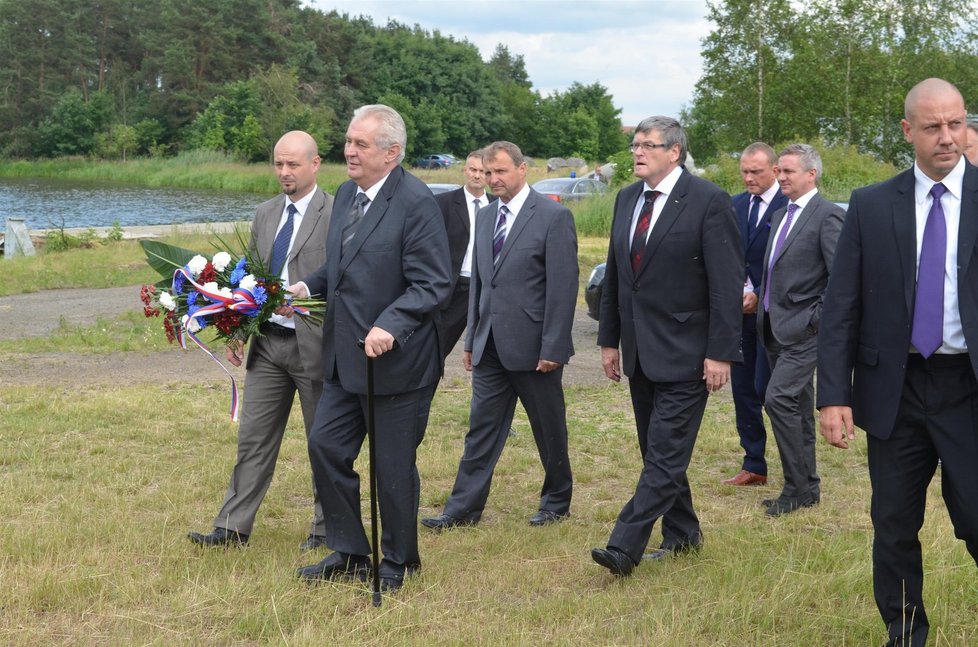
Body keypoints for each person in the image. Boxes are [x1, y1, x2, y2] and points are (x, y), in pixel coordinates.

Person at [817, 78, 978, 647]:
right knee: (893, 527)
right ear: (908, 131)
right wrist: (833, 394)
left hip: (968, 388)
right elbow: (841, 308)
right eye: (933, 127)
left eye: (956, 123)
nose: (947, 138)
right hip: (896, 389)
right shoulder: (870, 204)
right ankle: (905, 633)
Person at [287, 105, 451, 593]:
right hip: (344, 358)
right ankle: (351, 550)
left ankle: (400, 561)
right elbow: (341, 267)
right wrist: (306, 286)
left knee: (392, 466)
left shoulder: (417, 202)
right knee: (325, 447)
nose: (349, 151)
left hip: (396, 363)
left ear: (392, 152)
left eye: (361, 144)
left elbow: (433, 283)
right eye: (349, 141)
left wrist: (391, 323)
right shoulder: (345, 194)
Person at [590, 116, 742, 576]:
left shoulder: (708, 201)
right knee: (658, 452)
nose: (637, 152)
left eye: (648, 145)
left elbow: (726, 284)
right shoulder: (626, 198)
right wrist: (609, 340)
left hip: (688, 353)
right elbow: (618, 276)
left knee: (664, 454)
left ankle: (624, 545)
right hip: (639, 350)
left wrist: (720, 352)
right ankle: (683, 535)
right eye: (635, 144)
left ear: (674, 152)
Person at [421, 141, 578, 531]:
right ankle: (462, 510)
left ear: (523, 170)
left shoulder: (553, 217)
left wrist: (553, 346)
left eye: (500, 172)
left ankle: (557, 499)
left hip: (534, 347)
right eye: (488, 173)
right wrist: (472, 339)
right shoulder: (487, 216)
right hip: (490, 344)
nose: (492, 180)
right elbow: (480, 286)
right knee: (481, 429)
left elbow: (563, 289)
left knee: (548, 427)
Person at [187, 130, 333, 550]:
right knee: (253, 438)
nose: (284, 172)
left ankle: (327, 530)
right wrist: (234, 329)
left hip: (316, 346)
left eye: (293, 164)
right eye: (278, 164)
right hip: (267, 345)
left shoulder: (337, 213)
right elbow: (247, 280)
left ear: (315, 164)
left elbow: (343, 279)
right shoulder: (266, 213)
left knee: (322, 442)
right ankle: (231, 528)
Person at [756, 144, 844, 516]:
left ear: (812, 174)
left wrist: (815, 320)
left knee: (778, 399)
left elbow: (839, 280)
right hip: (775, 329)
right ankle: (807, 488)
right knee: (797, 407)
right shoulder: (780, 215)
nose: (781, 177)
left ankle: (795, 488)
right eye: (779, 171)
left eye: (789, 171)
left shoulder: (828, 216)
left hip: (806, 331)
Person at [723, 142, 785, 487]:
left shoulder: (788, 207)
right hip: (738, 314)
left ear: (774, 171)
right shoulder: (735, 206)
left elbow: (793, 265)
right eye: (744, 172)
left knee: (769, 389)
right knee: (743, 388)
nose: (748, 178)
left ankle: (795, 461)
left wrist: (760, 295)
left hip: (776, 315)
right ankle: (754, 463)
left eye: (756, 172)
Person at [435, 150, 492, 360]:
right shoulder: (443, 203)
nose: (477, 175)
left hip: (487, 287)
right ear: (464, 170)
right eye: (473, 170)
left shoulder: (498, 205)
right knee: (436, 348)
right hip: (455, 287)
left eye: (483, 171)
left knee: (488, 351)